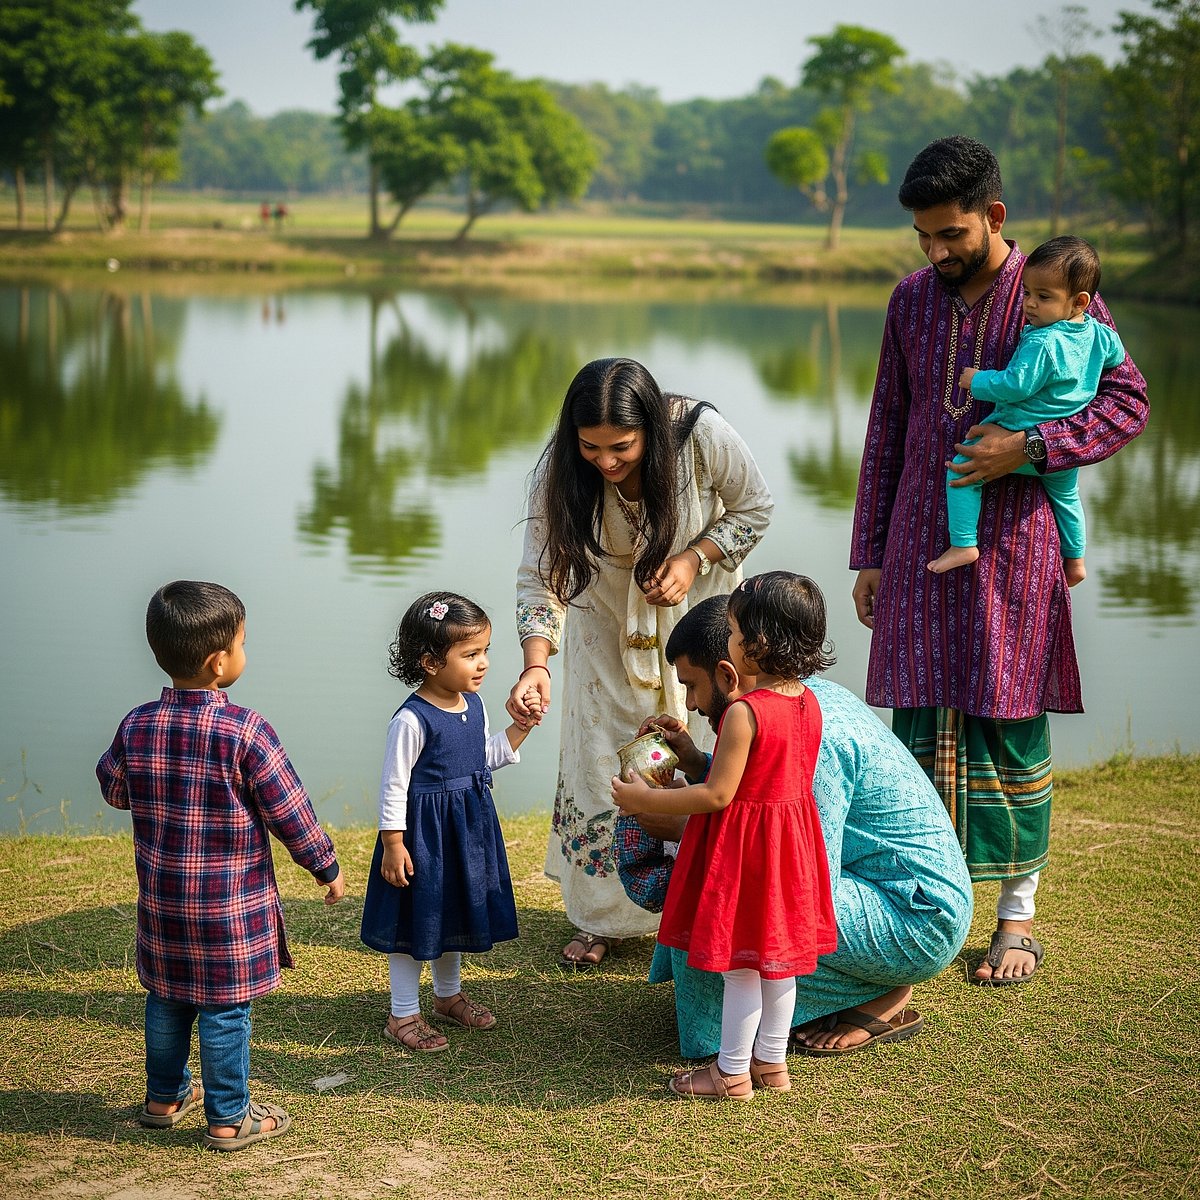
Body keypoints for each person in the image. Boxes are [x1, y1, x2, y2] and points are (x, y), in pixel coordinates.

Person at [851, 136, 1148, 985]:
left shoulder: (1057, 295)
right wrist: (869, 551)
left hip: (1016, 549)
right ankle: (911, 904)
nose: (937, 253)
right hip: (917, 542)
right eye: (924, 239)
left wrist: (1032, 447)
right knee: (911, 727)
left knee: (1011, 722)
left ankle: (1015, 918)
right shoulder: (910, 301)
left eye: (951, 235)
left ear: (995, 216)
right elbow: (887, 429)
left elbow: (1128, 404)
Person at [616, 594, 973, 1061]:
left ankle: (879, 992)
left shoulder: (814, 733)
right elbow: (761, 795)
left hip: (915, 915)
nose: (692, 704)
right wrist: (698, 762)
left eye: (692, 686)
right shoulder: (793, 700)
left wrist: (685, 827)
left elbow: (799, 871)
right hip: (875, 890)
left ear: (729, 671)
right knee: (715, 915)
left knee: (720, 902)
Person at [508, 357, 773, 969]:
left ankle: (702, 904)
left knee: (706, 751)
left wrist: (693, 557)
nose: (604, 462)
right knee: (604, 755)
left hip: (704, 626)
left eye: (621, 447)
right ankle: (605, 917)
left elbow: (755, 507)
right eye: (590, 447)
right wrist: (536, 663)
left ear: (651, 428)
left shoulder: (699, 437)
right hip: (603, 630)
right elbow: (539, 576)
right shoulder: (558, 471)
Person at [96, 581, 344, 1152]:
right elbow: (291, 812)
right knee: (225, 1011)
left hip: (163, 907)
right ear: (219, 661)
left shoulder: (137, 725)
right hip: (229, 914)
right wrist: (324, 867)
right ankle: (229, 1118)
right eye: (243, 642)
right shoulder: (245, 732)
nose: (244, 652)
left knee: (166, 997)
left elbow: (113, 788)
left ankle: (163, 1100)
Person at [611, 572, 837, 1100]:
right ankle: (772, 1065)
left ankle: (730, 1072)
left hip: (748, 852)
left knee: (740, 968)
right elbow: (769, 778)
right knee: (779, 967)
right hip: (791, 850)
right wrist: (689, 755)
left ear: (756, 646)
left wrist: (647, 801)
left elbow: (718, 797)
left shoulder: (744, 712)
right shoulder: (807, 703)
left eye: (734, 632)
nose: (730, 640)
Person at [360, 591, 539, 1052]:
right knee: (414, 922)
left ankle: (447, 996)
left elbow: (481, 759)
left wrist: (521, 727)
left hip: (465, 831)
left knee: (450, 912)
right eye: (470, 654)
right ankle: (402, 1014)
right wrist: (394, 844)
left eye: (485, 652)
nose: (482, 664)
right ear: (430, 662)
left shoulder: (472, 705)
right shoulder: (412, 719)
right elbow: (393, 786)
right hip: (423, 837)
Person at [928, 236, 1126, 586]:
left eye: (1043, 297)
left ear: (1080, 301)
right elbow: (1116, 356)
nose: (1030, 305)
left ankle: (963, 544)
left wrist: (977, 380)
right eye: (1027, 293)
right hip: (1060, 446)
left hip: (1020, 425)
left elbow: (1015, 385)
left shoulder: (1042, 341)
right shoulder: (1100, 334)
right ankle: (1076, 559)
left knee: (961, 471)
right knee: (1067, 498)